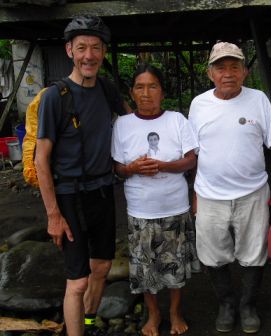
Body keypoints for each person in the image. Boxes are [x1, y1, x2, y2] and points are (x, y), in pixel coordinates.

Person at [188, 41, 271, 334]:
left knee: (254, 252)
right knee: (212, 254)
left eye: (234, 67)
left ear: (244, 72)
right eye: (221, 67)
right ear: (210, 74)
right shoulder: (198, 104)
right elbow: (193, 152)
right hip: (209, 196)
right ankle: (227, 303)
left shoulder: (258, 100)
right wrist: (193, 193)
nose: (227, 73)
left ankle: (247, 305)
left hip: (252, 194)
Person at [34, 15, 127, 336]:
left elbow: (133, 126)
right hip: (69, 196)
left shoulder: (106, 89)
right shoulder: (54, 97)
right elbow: (41, 160)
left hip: (102, 191)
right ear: (69, 50)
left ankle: (88, 323)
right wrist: (53, 215)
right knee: (78, 280)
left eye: (96, 48)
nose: (90, 55)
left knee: (100, 268)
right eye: (82, 47)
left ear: (102, 53)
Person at [112, 64, 198, 336]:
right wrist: (132, 169)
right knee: (145, 268)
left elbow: (191, 160)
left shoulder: (177, 120)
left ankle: (175, 312)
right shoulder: (122, 124)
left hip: (174, 206)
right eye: (140, 87)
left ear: (162, 91)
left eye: (153, 86)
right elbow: (116, 167)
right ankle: (154, 313)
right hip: (140, 210)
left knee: (175, 265)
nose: (146, 93)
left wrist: (164, 166)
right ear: (132, 92)